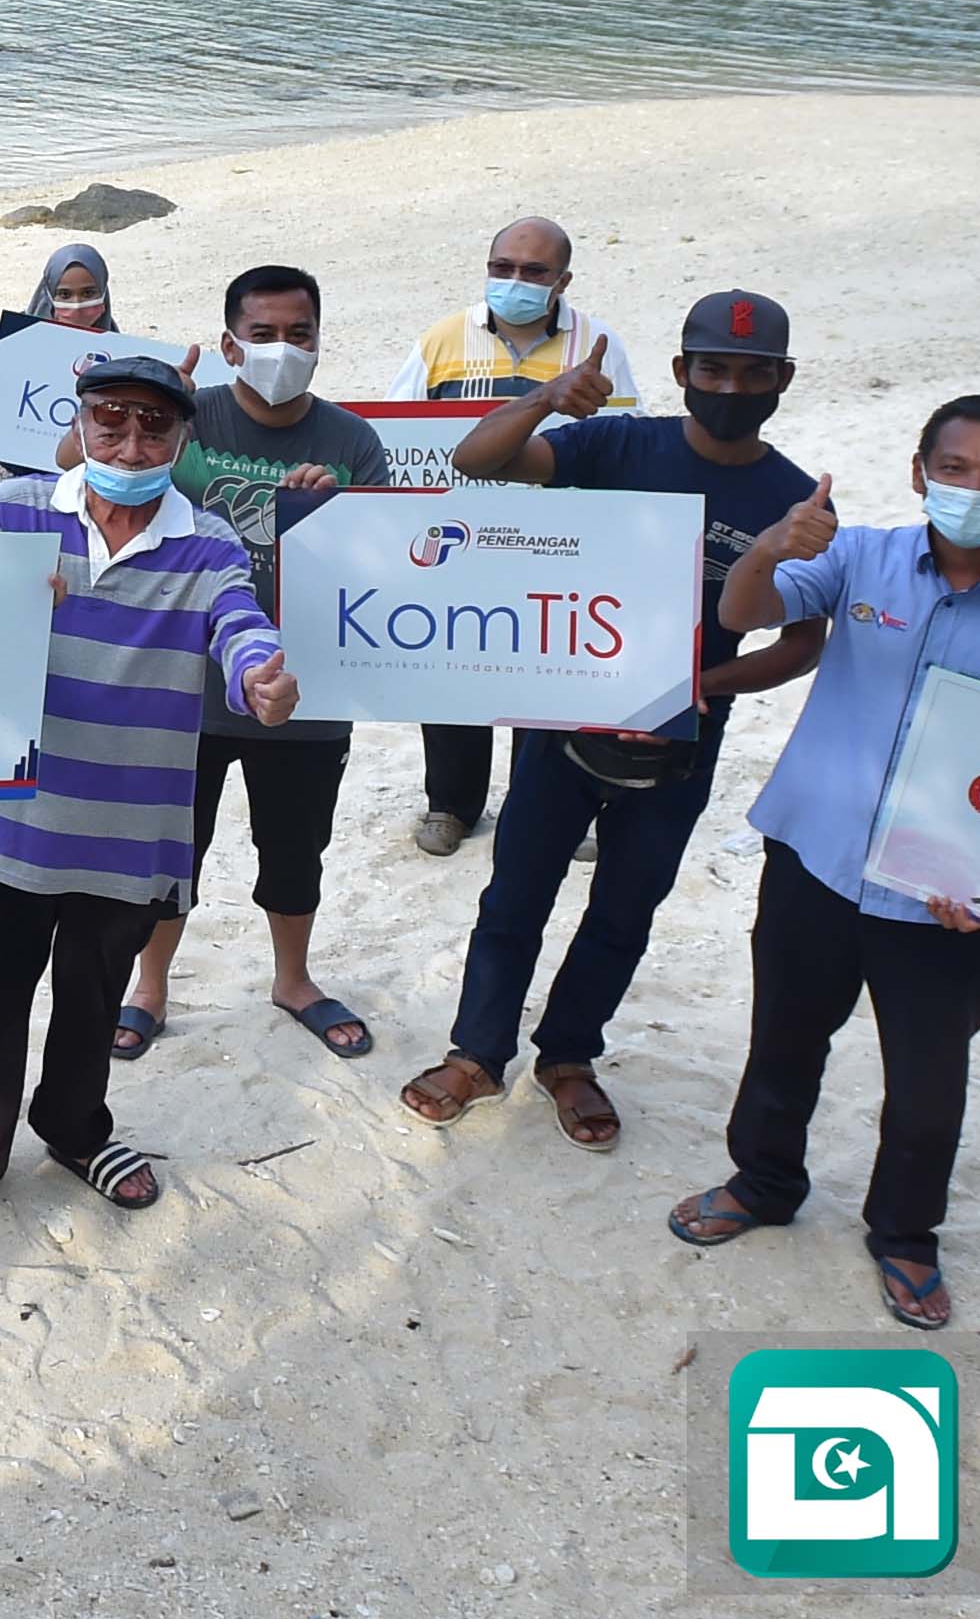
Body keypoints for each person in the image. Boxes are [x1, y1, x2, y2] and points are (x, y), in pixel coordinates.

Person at [673, 393, 980, 1329]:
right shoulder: (857, 555)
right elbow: (746, 608)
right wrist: (768, 546)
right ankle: (763, 1181)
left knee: (928, 1081)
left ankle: (907, 1232)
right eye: (956, 469)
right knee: (784, 1040)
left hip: (952, 896)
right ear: (920, 470)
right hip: (819, 853)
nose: (976, 490)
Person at [396, 294, 823, 1152]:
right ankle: (477, 1052)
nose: (730, 386)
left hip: (685, 736)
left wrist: (701, 682)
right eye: (712, 368)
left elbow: (804, 640)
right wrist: (544, 399)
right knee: (515, 892)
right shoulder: (620, 444)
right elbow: (479, 461)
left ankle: (569, 1057)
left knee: (627, 907)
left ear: (781, 381)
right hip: (563, 723)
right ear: (680, 373)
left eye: (751, 373)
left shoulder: (791, 495)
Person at [0, 355, 297, 1240]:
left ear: (183, 436)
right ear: (80, 423)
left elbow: (239, 625)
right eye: (112, 420)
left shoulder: (210, 542)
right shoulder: (16, 511)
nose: (131, 442)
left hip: (132, 829)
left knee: (94, 999)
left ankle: (75, 1129)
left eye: (155, 425)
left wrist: (260, 680)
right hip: (14, 814)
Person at [117, 264, 387, 1066]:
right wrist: (139, 393)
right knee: (173, 851)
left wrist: (340, 511)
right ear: (230, 341)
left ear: (318, 341)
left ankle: (294, 980)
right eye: (262, 334)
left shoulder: (352, 440)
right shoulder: (184, 416)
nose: (281, 349)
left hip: (304, 689)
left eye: (298, 334)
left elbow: (388, 566)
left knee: (296, 847)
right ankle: (150, 986)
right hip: (183, 684)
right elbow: (88, 461)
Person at [393, 219, 643, 853]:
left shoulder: (598, 345)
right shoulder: (443, 340)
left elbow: (625, 443)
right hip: (457, 538)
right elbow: (398, 432)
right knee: (451, 669)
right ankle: (451, 805)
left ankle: (538, 802)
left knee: (546, 673)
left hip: (553, 543)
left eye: (534, 272)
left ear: (563, 280)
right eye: (502, 267)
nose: (515, 282)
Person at [0, 239, 117, 381]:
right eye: (64, 295)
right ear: (48, 295)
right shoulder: (17, 338)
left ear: (103, 292)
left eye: (88, 293)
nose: (77, 304)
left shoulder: (117, 348)